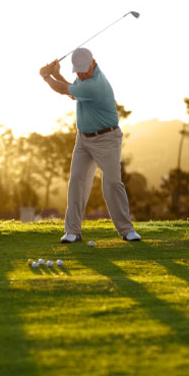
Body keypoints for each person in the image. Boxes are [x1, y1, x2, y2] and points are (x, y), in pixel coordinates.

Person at [39, 48, 141, 243]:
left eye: (84, 70)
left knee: (112, 183)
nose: (81, 75)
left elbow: (63, 90)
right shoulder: (84, 79)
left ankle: (127, 230)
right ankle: (72, 231)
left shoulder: (96, 84)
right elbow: (73, 93)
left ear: (93, 63)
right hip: (83, 140)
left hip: (107, 140)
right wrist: (56, 74)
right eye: (78, 71)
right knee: (76, 181)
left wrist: (45, 76)